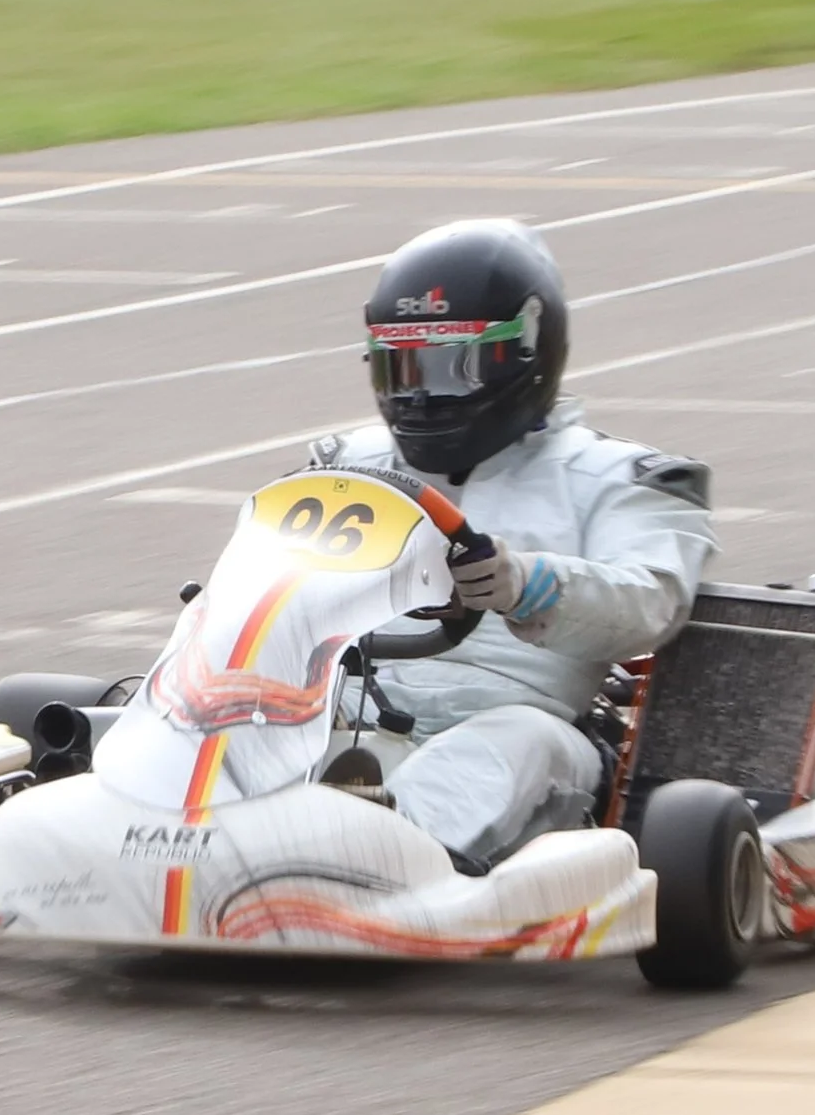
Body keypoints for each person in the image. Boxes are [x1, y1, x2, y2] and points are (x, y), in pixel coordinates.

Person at [306, 219, 716, 873]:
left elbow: (652, 601)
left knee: (512, 744)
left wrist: (526, 581)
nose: (417, 393)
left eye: (447, 366)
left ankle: (381, 861)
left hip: (525, 722)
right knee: (249, 720)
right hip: (358, 710)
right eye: (399, 366)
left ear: (522, 351)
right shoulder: (345, 464)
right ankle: (190, 829)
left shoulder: (619, 477)